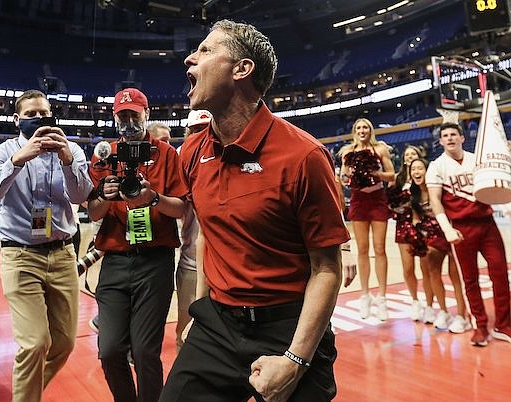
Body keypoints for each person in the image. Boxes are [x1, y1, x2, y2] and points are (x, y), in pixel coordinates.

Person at [160, 20, 350, 402]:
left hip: (288, 327)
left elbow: (327, 269)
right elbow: (209, 239)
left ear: (242, 70)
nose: (190, 58)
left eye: (206, 50)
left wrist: (295, 360)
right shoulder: (194, 152)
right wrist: (199, 313)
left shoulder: (305, 156)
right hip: (217, 323)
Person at [0, 89, 93, 401]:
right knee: (36, 342)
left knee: (64, 343)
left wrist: (67, 160)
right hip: (21, 256)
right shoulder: (2, 152)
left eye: (44, 113)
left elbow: (82, 198)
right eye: (31, 114)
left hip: (64, 254)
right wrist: (17, 160)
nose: (39, 119)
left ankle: (26, 393)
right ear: (17, 120)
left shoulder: (72, 151)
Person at [87, 87, 187, 402]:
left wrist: (152, 198)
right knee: (110, 349)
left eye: (134, 114)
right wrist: (105, 194)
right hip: (115, 261)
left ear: (146, 114)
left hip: (154, 261)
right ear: (114, 116)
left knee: (145, 352)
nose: (128, 121)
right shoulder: (105, 154)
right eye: (122, 115)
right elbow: (93, 213)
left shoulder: (166, 153)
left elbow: (182, 209)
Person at [427, 122, 511, 346]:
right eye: (445, 135)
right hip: (461, 229)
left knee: (501, 273)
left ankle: (504, 324)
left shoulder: (477, 159)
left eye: (454, 134)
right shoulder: (436, 166)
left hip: (487, 223)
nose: (450, 138)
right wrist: (447, 229)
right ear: (441, 141)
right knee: (470, 279)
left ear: (462, 138)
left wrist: (505, 205)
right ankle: (480, 326)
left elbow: (494, 185)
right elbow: (434, 200)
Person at [339, 118, 395, 321]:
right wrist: (349, 176)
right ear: (354, 131)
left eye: (366, 127)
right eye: (359, 128)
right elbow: (343, 179)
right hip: (358, 199)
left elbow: (392, 176)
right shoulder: (347, 152)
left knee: (379, 249)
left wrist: (375, 173)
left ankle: (382, 297)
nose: (362, 130)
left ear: (370, 130)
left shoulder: (380, 149)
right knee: (362, 250)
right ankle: (365, 296)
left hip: (377, 198)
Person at [408, 158, 471, 333]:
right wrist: (417, 233)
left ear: (427, 171)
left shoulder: (437, 188)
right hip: (433, 237)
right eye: (414, 169)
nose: (417, 172)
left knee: (455, 276)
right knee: (433, 272)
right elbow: (415, 219)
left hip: (450, 231)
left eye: (420, 168)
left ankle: (462, 315)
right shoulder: (414, 195)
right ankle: (444, 311)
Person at [174, 109, 211, 352]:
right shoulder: (181, 157)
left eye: (205, 129)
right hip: (191, 262)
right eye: (195, 129)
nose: (201, 134)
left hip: (228, 268)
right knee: (186, 333)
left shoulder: (229, 153)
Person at [387, 145, 436, 324]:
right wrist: (396, 207)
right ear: (404, 158)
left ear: (419, 157)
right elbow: (389, 202)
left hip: (423, 225)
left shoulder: (426, 176)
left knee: (427, 269)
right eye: (407, 154)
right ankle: (415, 301)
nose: (410, 157)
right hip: (403, 226)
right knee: (408, 268)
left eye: (413, 154)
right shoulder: (397, 179)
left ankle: (430, 306)